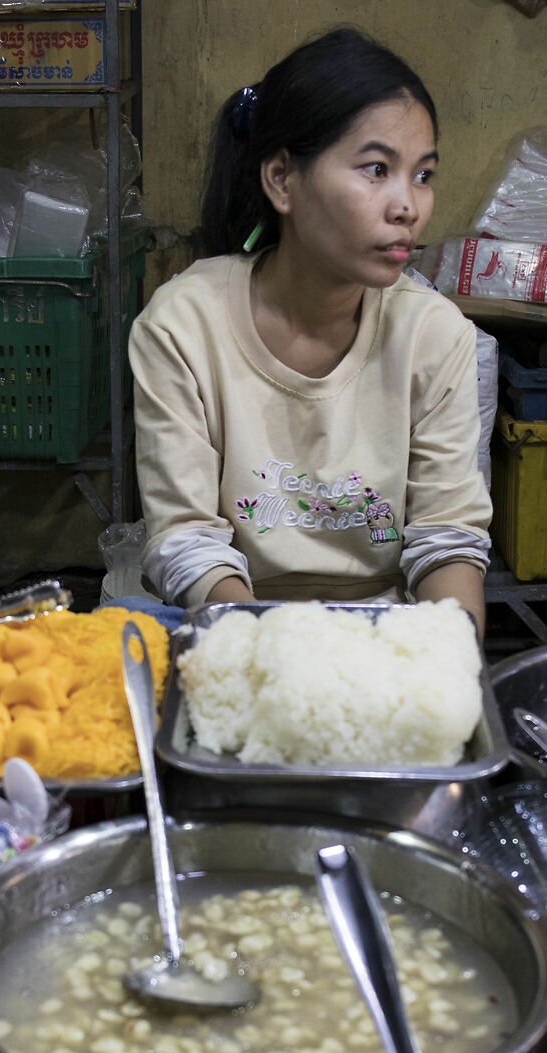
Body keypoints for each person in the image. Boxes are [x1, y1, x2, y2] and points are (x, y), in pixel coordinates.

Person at [129, 29, 489, 631]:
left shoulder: (434, 335)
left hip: (381, 630)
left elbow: (447, 539)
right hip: (232, 618)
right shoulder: (182, 325)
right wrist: (269, 659)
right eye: (377, 169)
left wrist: (454, 662)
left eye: (422, 175)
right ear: (281, 180)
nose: (408, 206)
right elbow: (187, 539)